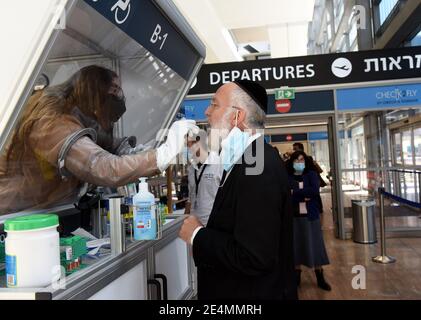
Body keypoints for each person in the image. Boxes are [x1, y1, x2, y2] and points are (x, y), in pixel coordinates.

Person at [0, 65, 198, 214]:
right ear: (93, 89)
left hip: (44, 210)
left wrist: (137, 149)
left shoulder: (81, 114)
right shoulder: (51, 119)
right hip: (14, 214)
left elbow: (106, 144)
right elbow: (100, 166)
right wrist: (162, 154)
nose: (119, 96)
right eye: (114, 89)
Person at [179, 80, 297, 300]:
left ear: (237, 117)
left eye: (214, 105)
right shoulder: (246, 161)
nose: (206, 112)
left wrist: (198, 234)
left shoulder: (257, 166)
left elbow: (254, 256)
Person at [286, 151, 331, 291]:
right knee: (296, 246)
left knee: (316, 245)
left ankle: (320, 276)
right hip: (294, 216)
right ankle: (296, 276)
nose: (300, 163)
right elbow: (286, 193)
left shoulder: (311, 174)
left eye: (302, 160)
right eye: (297, 160)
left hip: (310, 216)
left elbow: (314, 192)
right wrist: (301, 195)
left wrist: (295, 193)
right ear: (292, 162)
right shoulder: (287, 176)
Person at [185, 135, 223, 226]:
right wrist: (185, 218)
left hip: (213, 224)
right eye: (186, 145)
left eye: (189, 144)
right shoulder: (191, 169)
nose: (187, 148)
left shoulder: (219, 164)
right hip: (194, 225)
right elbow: (191, 196)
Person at [292, 142, 326, 213]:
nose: (294, 150)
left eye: (295, 149)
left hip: (311, 181)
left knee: (314, 196)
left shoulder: (309, 159)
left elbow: (317, 170)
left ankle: (319, 210)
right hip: (305, 184)